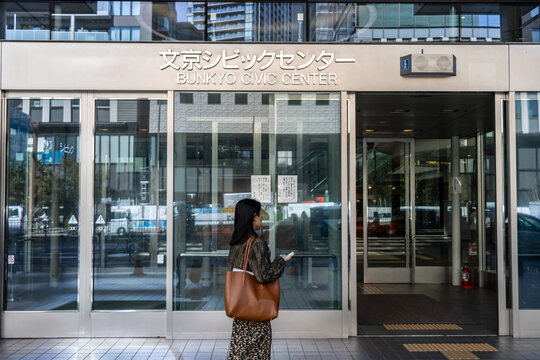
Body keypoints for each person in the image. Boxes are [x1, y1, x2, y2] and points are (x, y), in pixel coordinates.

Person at [227, 199, 292, 360]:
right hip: (255, 308)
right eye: (260, 215)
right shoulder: (256, 243)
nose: (262, 219)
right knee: (258, 353)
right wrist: (280, 262)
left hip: (240, 309)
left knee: (239, 353)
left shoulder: (235, 242)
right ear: (253, 217)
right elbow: (263, 276)